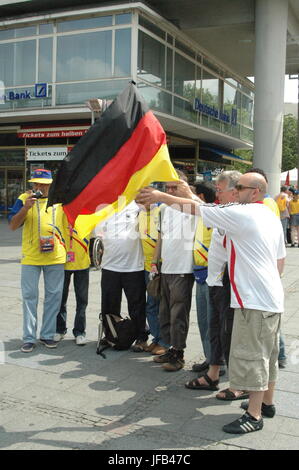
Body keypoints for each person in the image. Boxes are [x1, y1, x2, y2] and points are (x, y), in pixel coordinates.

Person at [137, 171, 285, 434]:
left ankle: (254, 414)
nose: (235, 191)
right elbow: (280, 263)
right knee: (268, 356)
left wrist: (161, 196)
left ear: (255, 192)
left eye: (239, 187)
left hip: (254, 301)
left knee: (253, 358)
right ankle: (267, 403)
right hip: (270, 298)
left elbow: (200, 209)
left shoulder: (245, 213)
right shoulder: (268, 216)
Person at [8, 169, 66, 353]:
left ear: (50, 185)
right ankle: (29, 337)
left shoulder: (60, 199)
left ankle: (48, 334)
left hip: (55, 256)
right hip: (31, 257)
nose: (39, 187)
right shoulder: (24, 198)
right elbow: (12, 225)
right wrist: (25, 208)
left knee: (54, 297)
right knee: (29, 297)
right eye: (36, 184)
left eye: (43, 184)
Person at [149, 172, 198, 371]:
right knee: (165, 312)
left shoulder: (192, 206)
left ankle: (178, 353)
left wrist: (188, 195)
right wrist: (155, 261)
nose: (169, 191)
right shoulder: (165, 209)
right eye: (167, 187)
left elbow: (204, 209)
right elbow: (161, 236)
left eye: (174, 187)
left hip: (183, 268)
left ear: (184, 187)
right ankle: (170, 347)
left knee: (178, 313)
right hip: (166, 266)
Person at [98, 201, 148, 351]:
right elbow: (98, 232)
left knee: (137, 305)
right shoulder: (103, 207)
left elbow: (147, 231)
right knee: (109, 305)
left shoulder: (138, 206)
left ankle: (141, 337)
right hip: (109, 266)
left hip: (134, 266)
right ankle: (110, 335)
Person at [138, 202, 168, 355]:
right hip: (146, 267)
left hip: (160, 265)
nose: (143, 200)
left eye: (146, 195)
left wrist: (156, 262)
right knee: (151, 305)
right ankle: (156, 338)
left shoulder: (161, 211)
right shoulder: (140, 213)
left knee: (161, 305)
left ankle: (164, 342)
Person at [54, 226, 91, 346]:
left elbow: (99, 234)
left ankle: (79, 332)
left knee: (82, 301)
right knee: (60, 299)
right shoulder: (61, 212)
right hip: (63, 263)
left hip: (82, 264)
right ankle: (60, 329)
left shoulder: (87, 215)